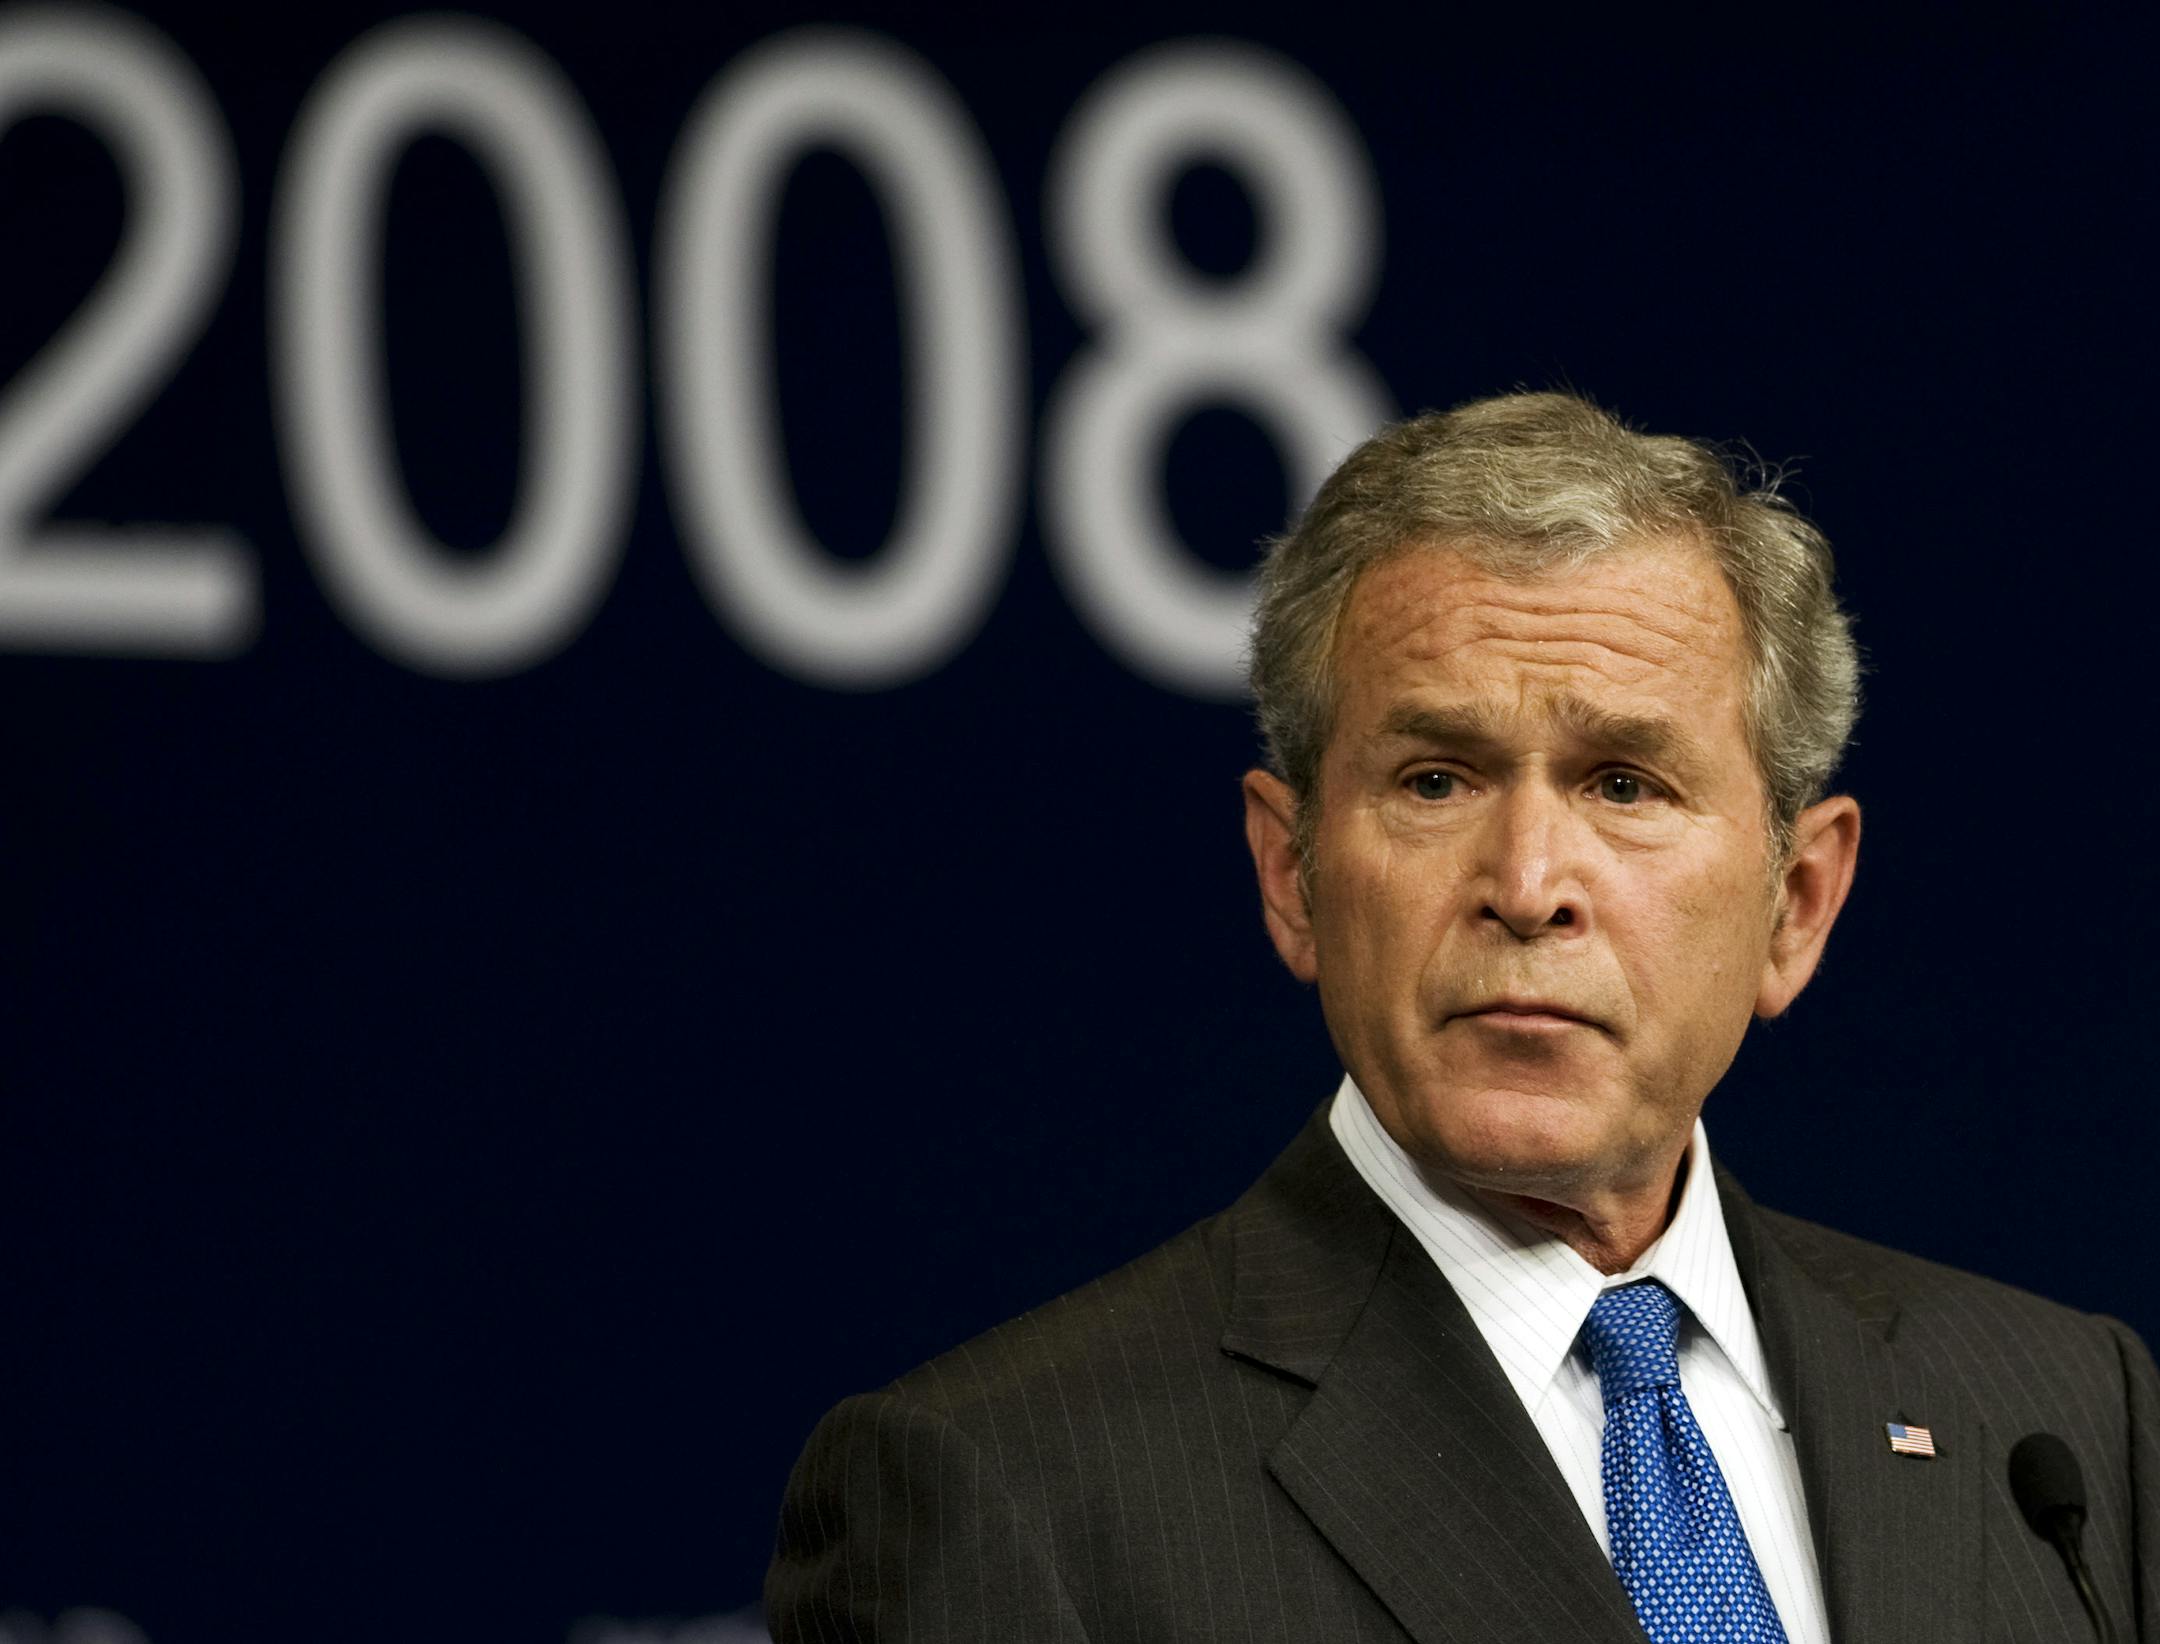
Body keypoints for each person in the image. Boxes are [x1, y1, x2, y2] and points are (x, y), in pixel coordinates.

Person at [765, 392, 2158, 1643]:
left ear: (1797, 903)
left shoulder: (2065, 1421)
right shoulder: (1005, 1490)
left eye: (1624, 783)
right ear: (1290, 873)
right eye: (1436, 780)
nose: (1529, 885)